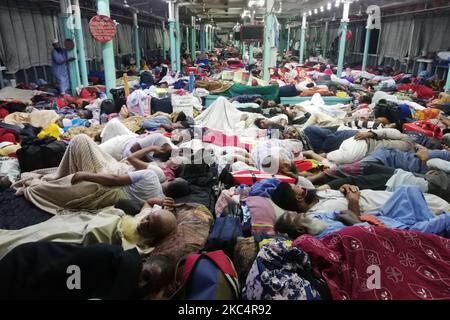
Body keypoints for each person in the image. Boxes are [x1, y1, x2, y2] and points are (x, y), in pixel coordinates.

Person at [274, 186, 450, 239]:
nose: (301, 215)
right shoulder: (323, 232)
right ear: (299, 230)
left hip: (379, 214)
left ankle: (430, 232)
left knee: (408, 190)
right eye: (296, 217)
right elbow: (358, 230)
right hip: (386, 231)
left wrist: (346, 190)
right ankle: (428, 234)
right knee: (446, 218)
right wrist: (353, 204)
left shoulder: (315, 217)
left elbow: (344, 215)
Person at [269, 180, 449, 216]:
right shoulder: (318, 215)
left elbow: (340, 192)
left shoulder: (317, 195)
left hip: (379, 196)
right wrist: (353, 201)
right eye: (297, 190)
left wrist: (345, 188)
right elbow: (355, 227)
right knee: (440, 209)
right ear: (298, 199)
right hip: (386, 208)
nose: (302, 188)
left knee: (435, 200)